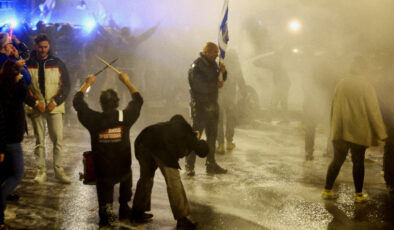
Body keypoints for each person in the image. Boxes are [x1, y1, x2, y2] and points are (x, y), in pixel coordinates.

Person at [73, 72, 143, 226]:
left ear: (101, 103)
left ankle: (106, 212)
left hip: (103, 168)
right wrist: (127, 81)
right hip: (123, 165)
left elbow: (77, 102)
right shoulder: (124, 118)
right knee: (126, 179)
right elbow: (138, 100)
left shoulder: (94, 120)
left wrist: (87, 84)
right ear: (117, 102)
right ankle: (124, 207)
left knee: (104, 187)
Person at [322, 56, 387, 203]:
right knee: (358, 162)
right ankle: (358, 195)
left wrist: (333, 127)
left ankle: (327, 190)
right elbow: (373, 110)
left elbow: (334, 106)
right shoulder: (366, 86)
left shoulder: (341, 84)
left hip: (340, 130)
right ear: (364, 69)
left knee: (337, 161)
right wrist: (381, 132)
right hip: (358, 131)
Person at [131, 114, 209, 229]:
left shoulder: (187, 131)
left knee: (146, 178)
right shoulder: (189, 140)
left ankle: (137, 212)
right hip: (158, 146)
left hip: (143, 140)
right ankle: (182, 219)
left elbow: (176, 117)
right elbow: (172, 153)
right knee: (174, 182)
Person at [25, 34, 71, 184]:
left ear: (49, 46)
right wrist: (34, 102)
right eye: (40, 47)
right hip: (36, 108)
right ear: (35, 46)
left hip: (54, 108)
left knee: (57, 140)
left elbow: (66, 86)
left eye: (45, 47)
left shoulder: (58, 63)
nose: (43, 50)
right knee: (39, 141)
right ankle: (41, 171)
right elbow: (23, 87)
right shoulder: (27, 63)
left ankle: (59, 171)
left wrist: (55, 102)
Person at [186, 42, 227, 175]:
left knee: (212, 136)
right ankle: (189, 166)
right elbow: (198, 86)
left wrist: (223, 73)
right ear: (207, 52)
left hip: (212, 105)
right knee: (195, 137)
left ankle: (211, 163)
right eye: (215, 52)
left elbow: (218, 79)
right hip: (200, 106)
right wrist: (215, 84)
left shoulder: (213, 64)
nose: (217, 55)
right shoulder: (197, 66)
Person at [0, 60, 29, 230]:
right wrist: (22, 70)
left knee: (5, 175)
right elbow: (26, 85)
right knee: (17, 174)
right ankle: (1, 199)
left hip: (5, 141)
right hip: (11, 141)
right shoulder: (17, 90)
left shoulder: (3, 89)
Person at [216, 49, 246, 154]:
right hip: (231, 97)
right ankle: (229, 142)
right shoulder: (236, 67)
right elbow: (241, 81)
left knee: (219, 120)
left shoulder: (219, 64)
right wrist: (244, 93)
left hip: (219, 96)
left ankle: (220, 144)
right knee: (230, 119)